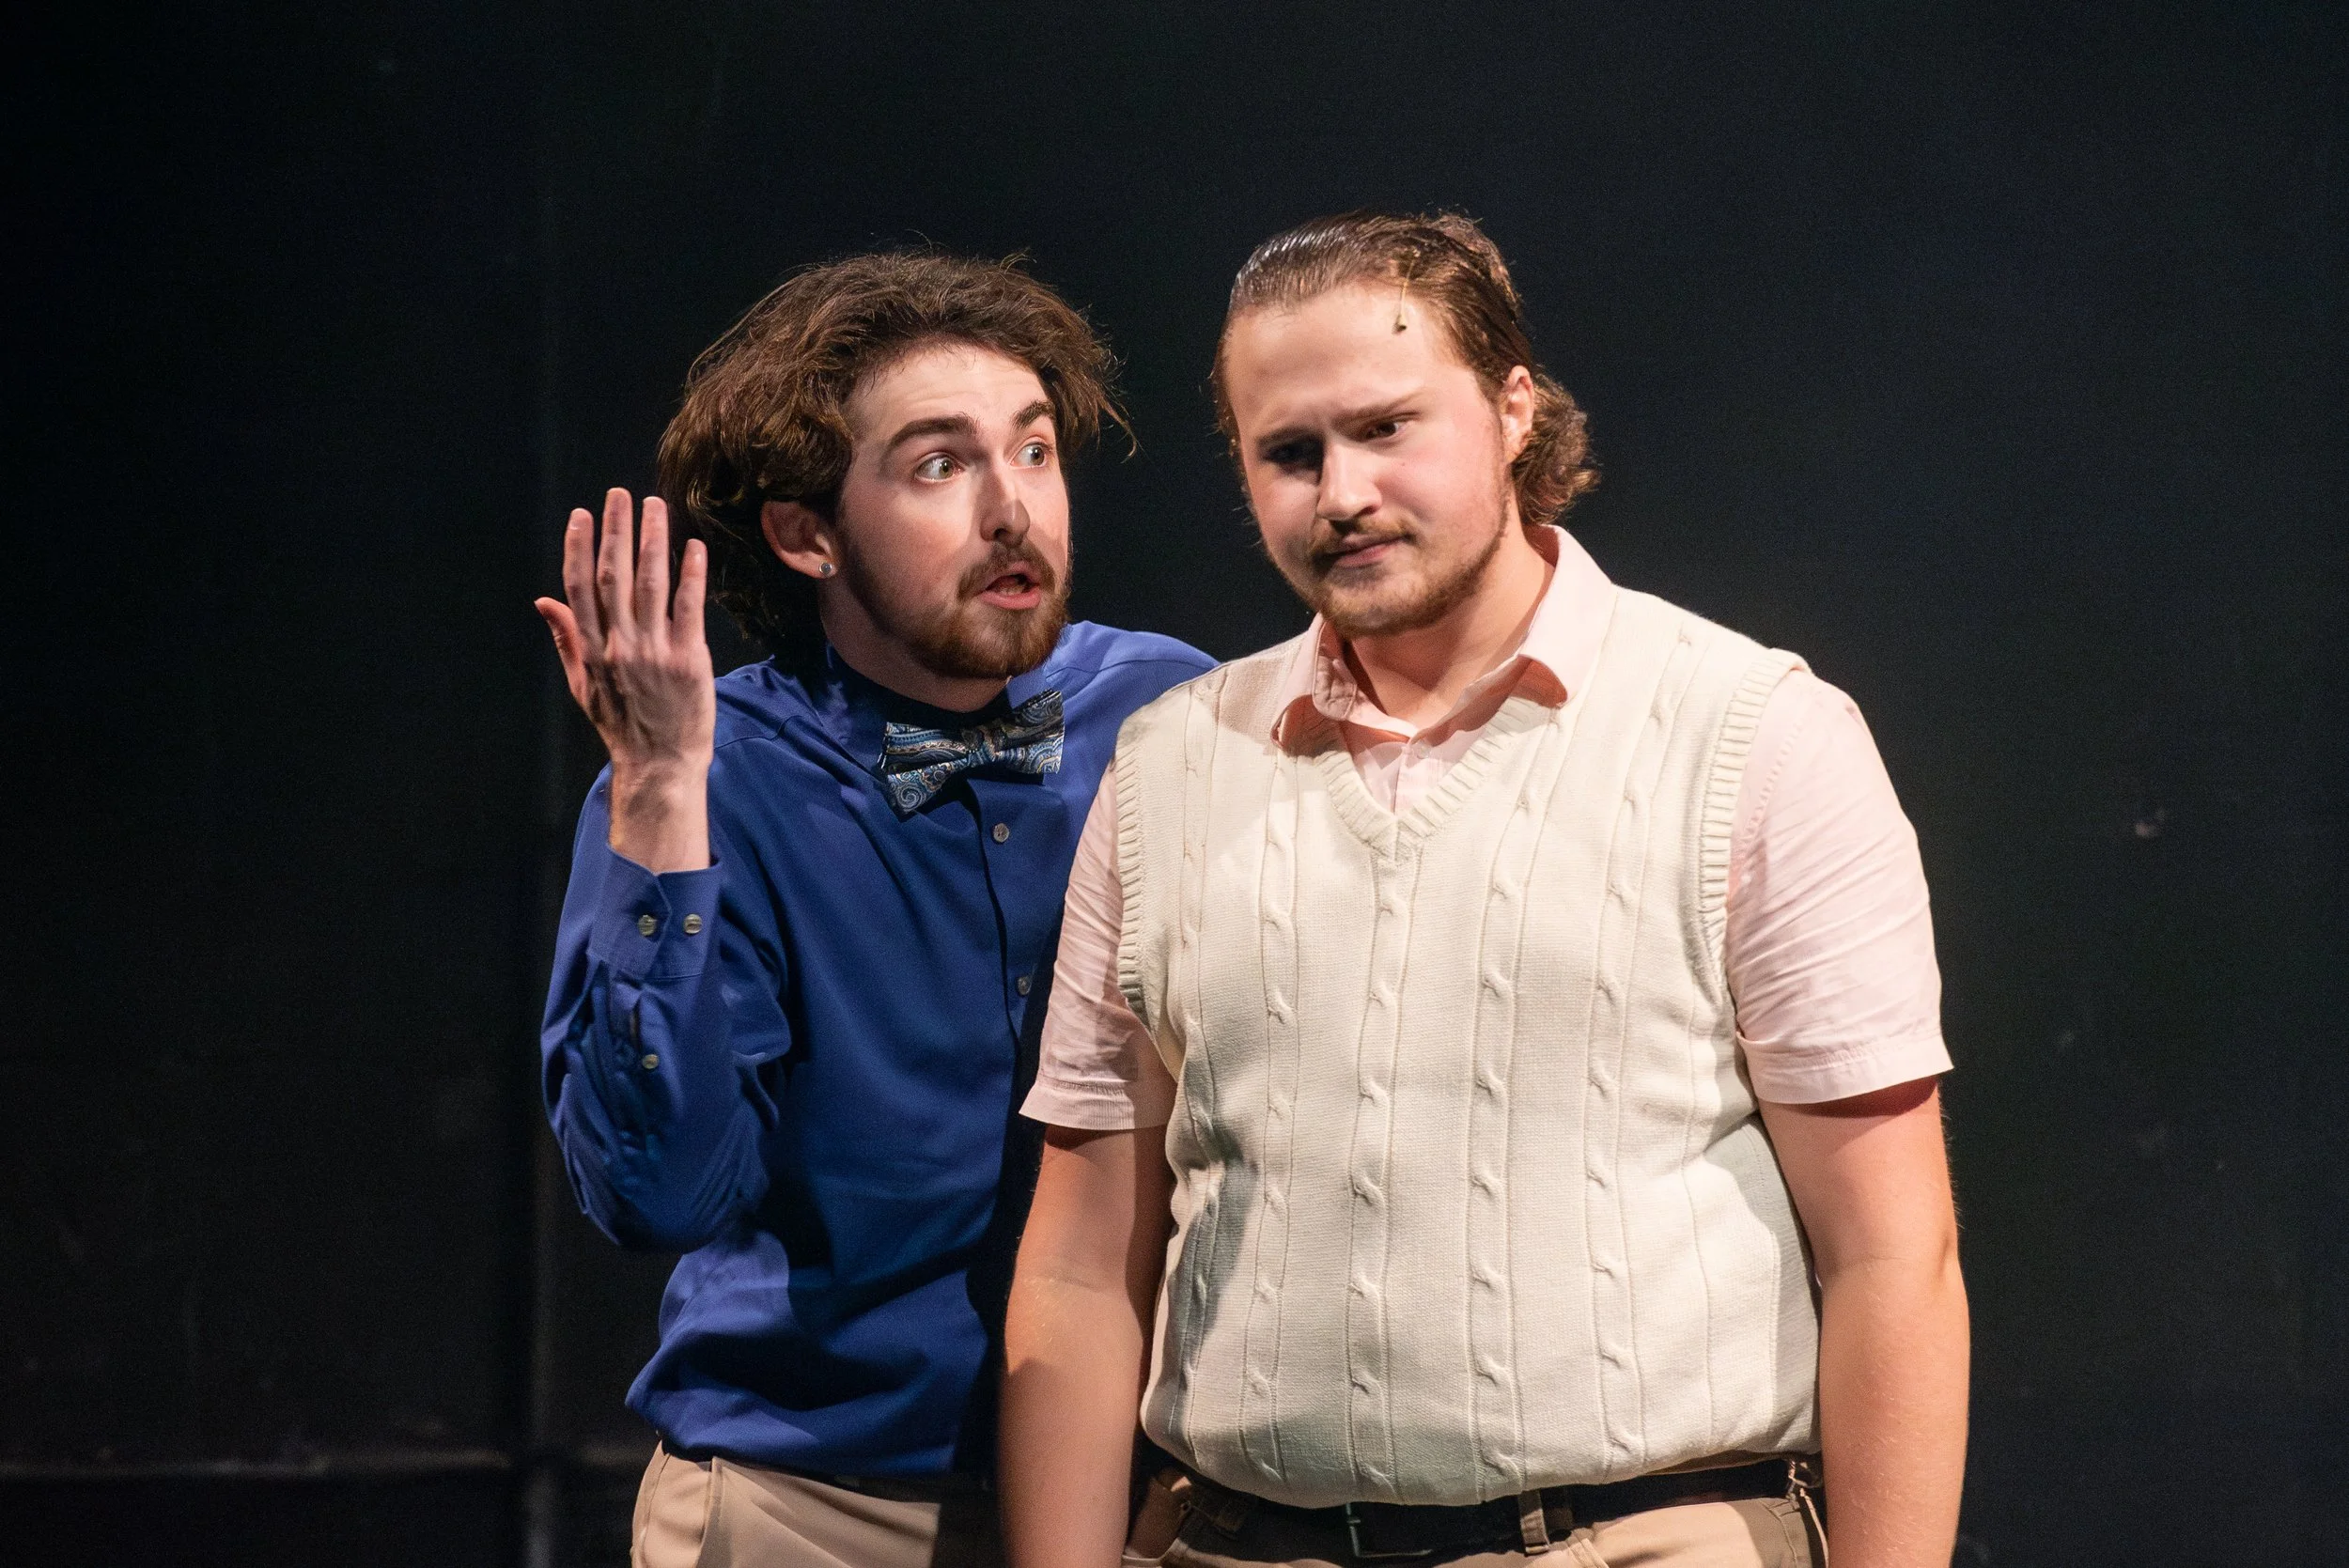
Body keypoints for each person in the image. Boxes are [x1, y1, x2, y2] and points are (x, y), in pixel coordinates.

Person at [1001, 212, 1968, 1568]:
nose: (1341, 490)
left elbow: (1891, 1258)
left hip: (1638, 1541)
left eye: (1387, 427)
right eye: (1290, 453)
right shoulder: (1171, 767)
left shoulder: (1750, 734)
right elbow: (1078, 1269)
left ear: (1515, 409)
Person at [534, 251, 1214, 1568]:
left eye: (1032, 451)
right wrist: (661, 796)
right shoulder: (715, 776)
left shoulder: (1175, 716)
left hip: (1142, 1491)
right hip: (815, 1499)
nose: (1013, 510)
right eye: (940, 466)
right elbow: (657, 1195)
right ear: (807, 533)